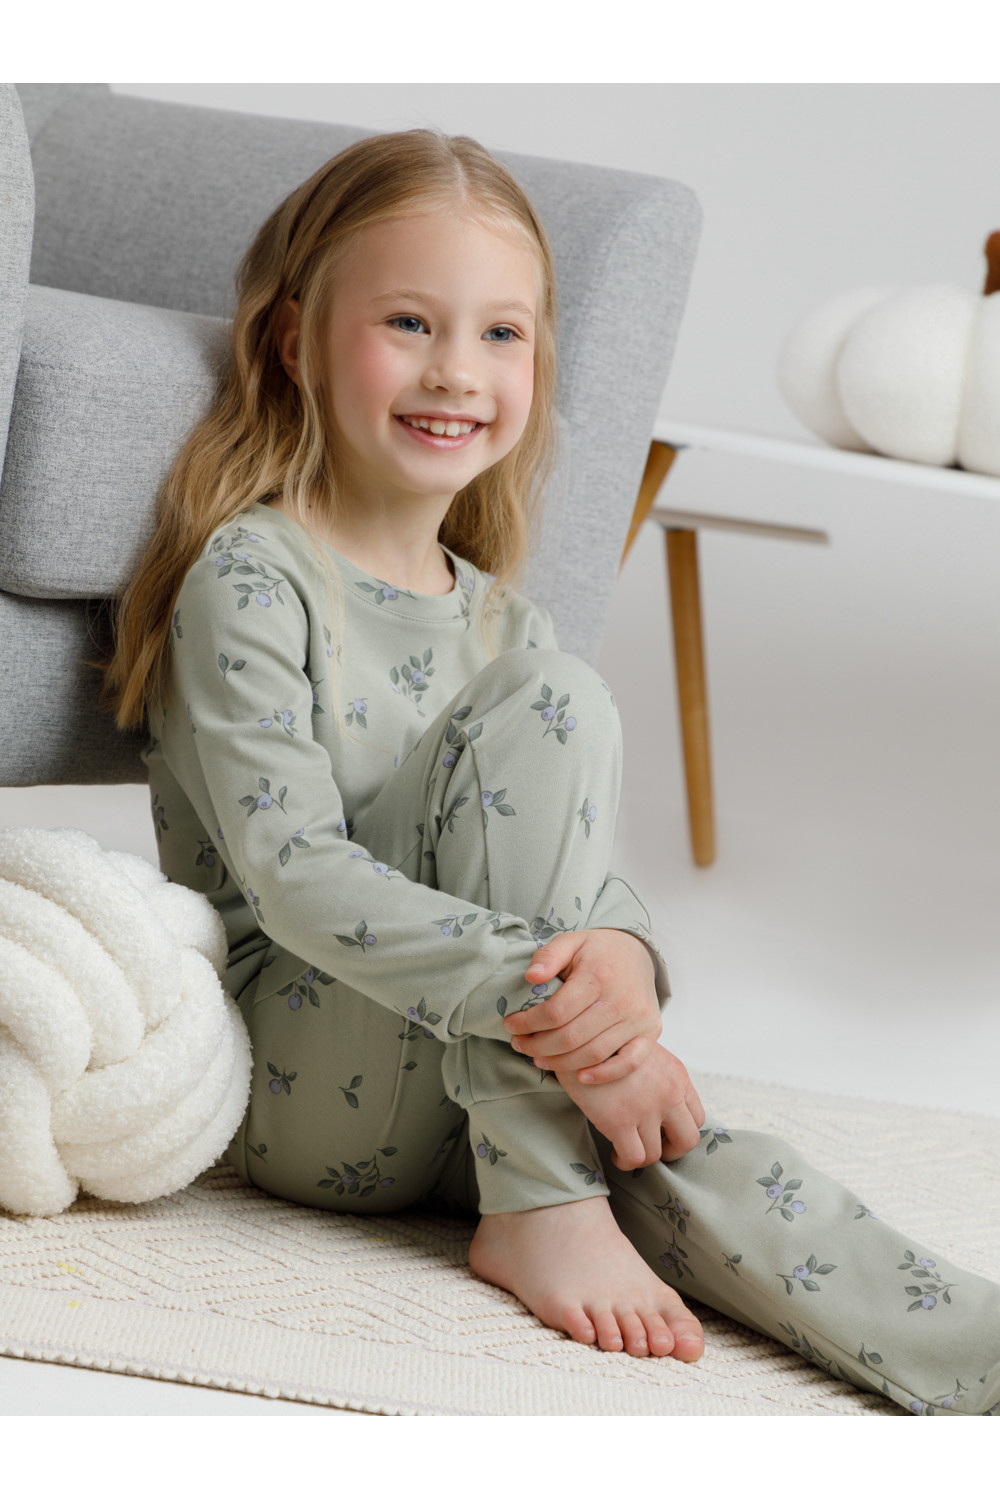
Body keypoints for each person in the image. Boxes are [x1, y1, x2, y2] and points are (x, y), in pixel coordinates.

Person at [101, 129, 999, 1414]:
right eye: (409, 322)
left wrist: (620, 961)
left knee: (696, 1160)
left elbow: (567, 878)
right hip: (300, 1081)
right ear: (295, 341)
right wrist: (570, 1020)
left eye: (500, 334)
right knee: (557, 712)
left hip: (464, 1074)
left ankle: (972, 1360)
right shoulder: (253, 577)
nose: (455, 370)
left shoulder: (499, 619)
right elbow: (297, 879)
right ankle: (538, 1198)